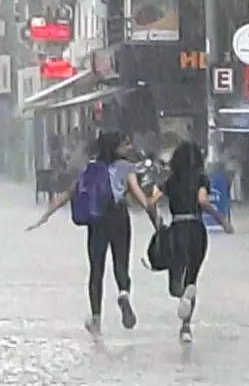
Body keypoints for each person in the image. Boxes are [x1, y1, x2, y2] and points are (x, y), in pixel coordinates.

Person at [28, 130, 157, 336]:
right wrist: (156, 220)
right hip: (119, 217)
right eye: (125, 144)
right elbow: (141, 199)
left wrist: (44, 217)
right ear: (116, 147)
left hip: (97, 220)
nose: (128, 147)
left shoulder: (89, 168)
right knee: (121, 263)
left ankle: (96, 320)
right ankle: (123, 294)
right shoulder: (126, 168)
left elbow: (67, 194)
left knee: (96, 269)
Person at [142, 142, 233, 343]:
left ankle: (181, 294)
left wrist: (157, 223)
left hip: (177, 228)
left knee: (176, 279)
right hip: (197, 230)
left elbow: (150, 203)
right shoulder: (201, 178)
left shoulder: (170, 180)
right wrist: (222, 220)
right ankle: (185, 328)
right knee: (192, 277)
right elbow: (202, 201)